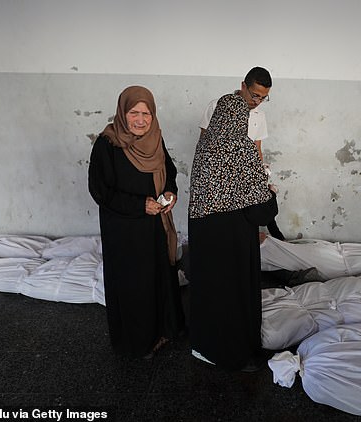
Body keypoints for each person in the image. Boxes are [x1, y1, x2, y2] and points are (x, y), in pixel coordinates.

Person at [88, 86, 185, 359]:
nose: (141, 120)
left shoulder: (156, 139)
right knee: (135, 285)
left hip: (155, 226)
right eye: (134, 113)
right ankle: (138, 341)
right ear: (122, 112)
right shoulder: (107, 144)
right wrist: (140, 204)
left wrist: (169, 191)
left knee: (158, 277)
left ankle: (164, 330)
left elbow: (169, 170)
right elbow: (101, 191)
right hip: (125, 231)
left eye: (146, 113)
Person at [188, 93, 278, 372]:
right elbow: (259, 211)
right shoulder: (243, 150)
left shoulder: (203, 149)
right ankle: (233, 353)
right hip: (234, 240)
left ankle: (204, 347)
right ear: (241, 121)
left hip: (205, 238)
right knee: (234, 295)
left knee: (210, 293)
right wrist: (271, 193)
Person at [199, 66, 285, 240]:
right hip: (218, 183)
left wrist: (261, 177)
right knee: (221, 231)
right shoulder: (218, 106)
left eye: (263, 98)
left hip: (243, 185)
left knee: (242, 230)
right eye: (255, 95)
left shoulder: (259, 115)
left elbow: (257, 149)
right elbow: (204, 145)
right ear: (243, 86)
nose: (257, 101)